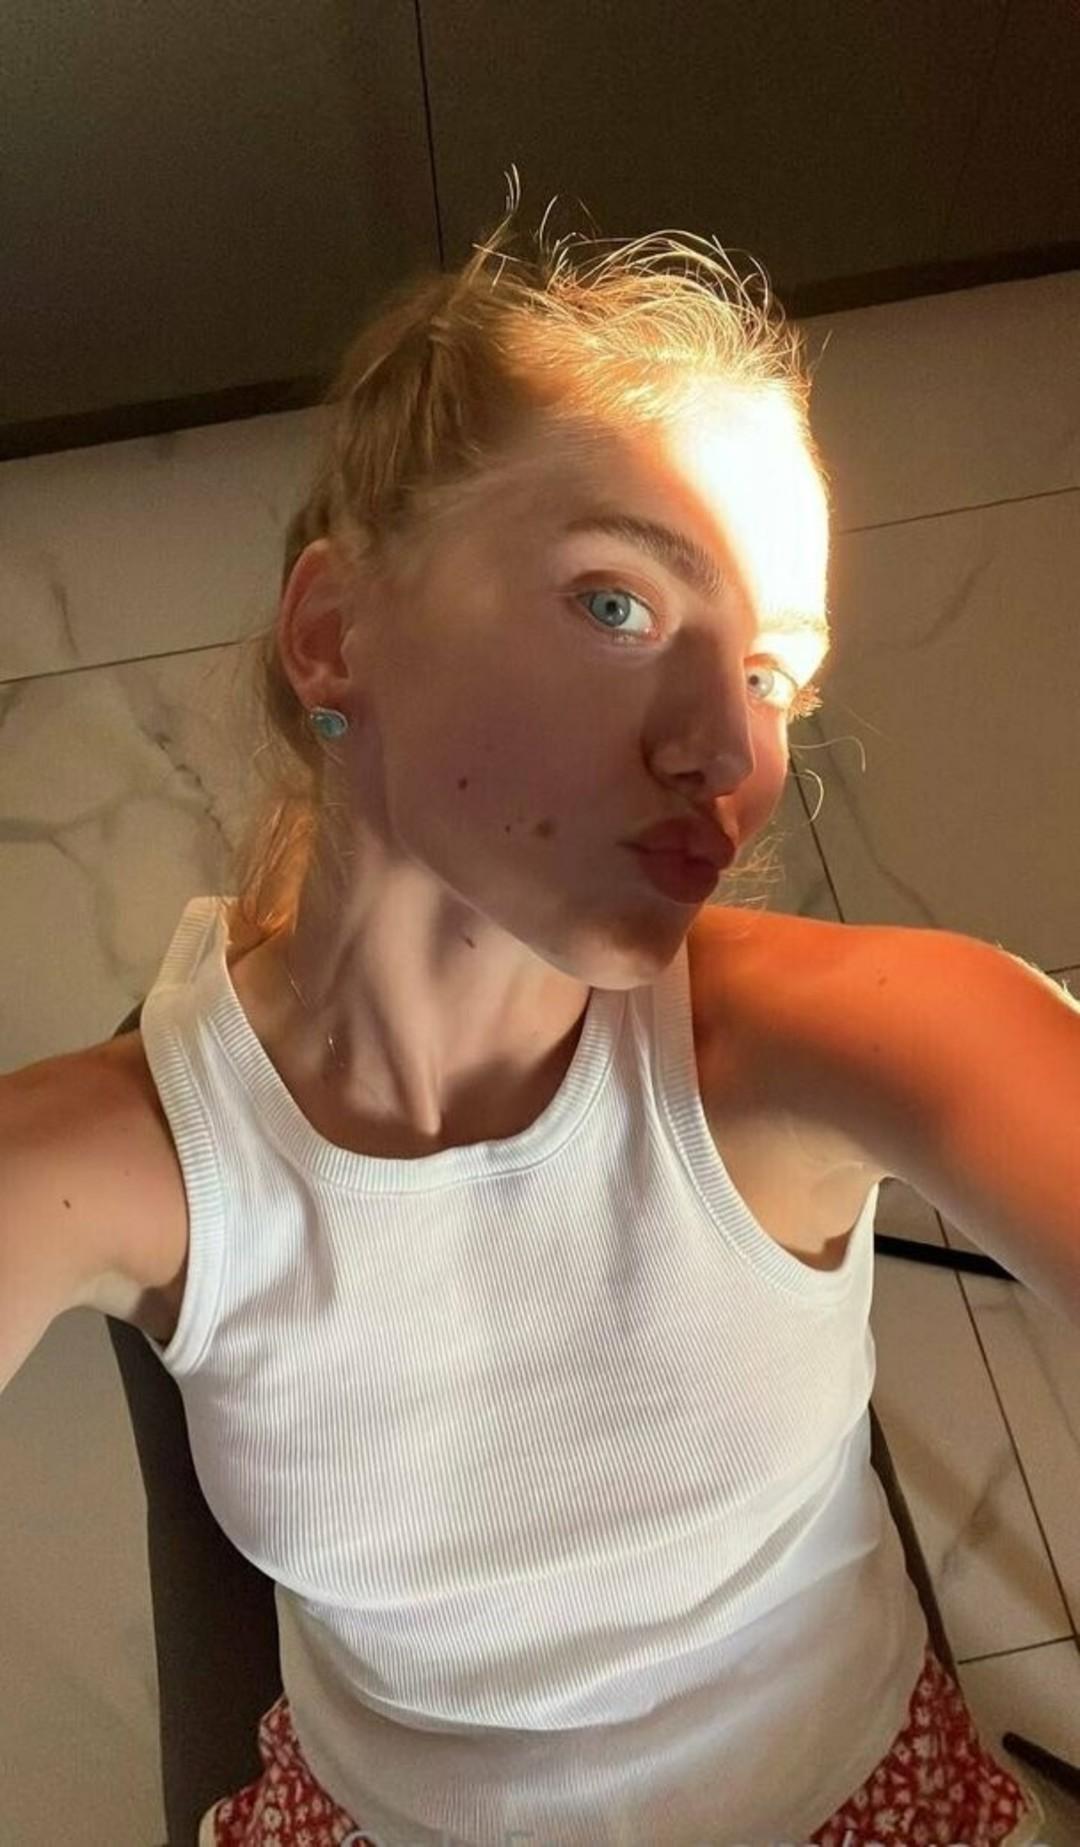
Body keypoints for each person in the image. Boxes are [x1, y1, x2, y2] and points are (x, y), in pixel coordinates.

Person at [6, 176, 1049, 1847]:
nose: (733, 750)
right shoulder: (127, 1158)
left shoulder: (811, 1051)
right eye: (619, 602)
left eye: (773, 671)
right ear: (334, 634)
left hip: (853, 1793)